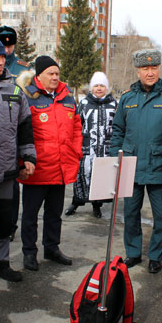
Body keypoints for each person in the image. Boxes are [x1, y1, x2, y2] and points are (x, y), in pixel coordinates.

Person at [109, 49, 162, 274]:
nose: (150, 73)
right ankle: (133, 253)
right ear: (138, 71)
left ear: (159, 69)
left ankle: (156, 256)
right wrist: (117, 158)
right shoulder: (127, 98)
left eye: (154, 68)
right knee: (131, 214)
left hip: (160, 165)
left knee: (161, 216)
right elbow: (117, 131)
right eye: (145, 68)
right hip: (131, 165)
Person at [0, 36, 36, 282]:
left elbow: (25, 127)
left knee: (3, 220)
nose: (1, 61)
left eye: (3, 57)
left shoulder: (14, 91)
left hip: (6, 170)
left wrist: (28, 157)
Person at [16, 56, 82, 271]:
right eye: (50, 74)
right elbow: (21, 132)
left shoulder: (67, 97)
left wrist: (76, 152)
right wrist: (23, 161)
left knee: (54, 214)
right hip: (36, 168)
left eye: (57, 73)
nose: (55, 77)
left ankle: (52, 248)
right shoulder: (27, 96)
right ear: (39, 75)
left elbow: (76, 128)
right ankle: (29, 252)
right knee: (30, 215)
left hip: (61, 167)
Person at [65, 71, 118, 218]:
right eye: (96, 85)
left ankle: (97, 205)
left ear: (106, 87)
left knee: (100, 179)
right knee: (82, 176)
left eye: (102, 85)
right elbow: (76, 125)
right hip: (87, 148)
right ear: (91, 87)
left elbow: (118, 126)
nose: (99, 88)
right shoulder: (84, 103)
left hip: (105, 149)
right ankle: (75, 202)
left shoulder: (113, 104)